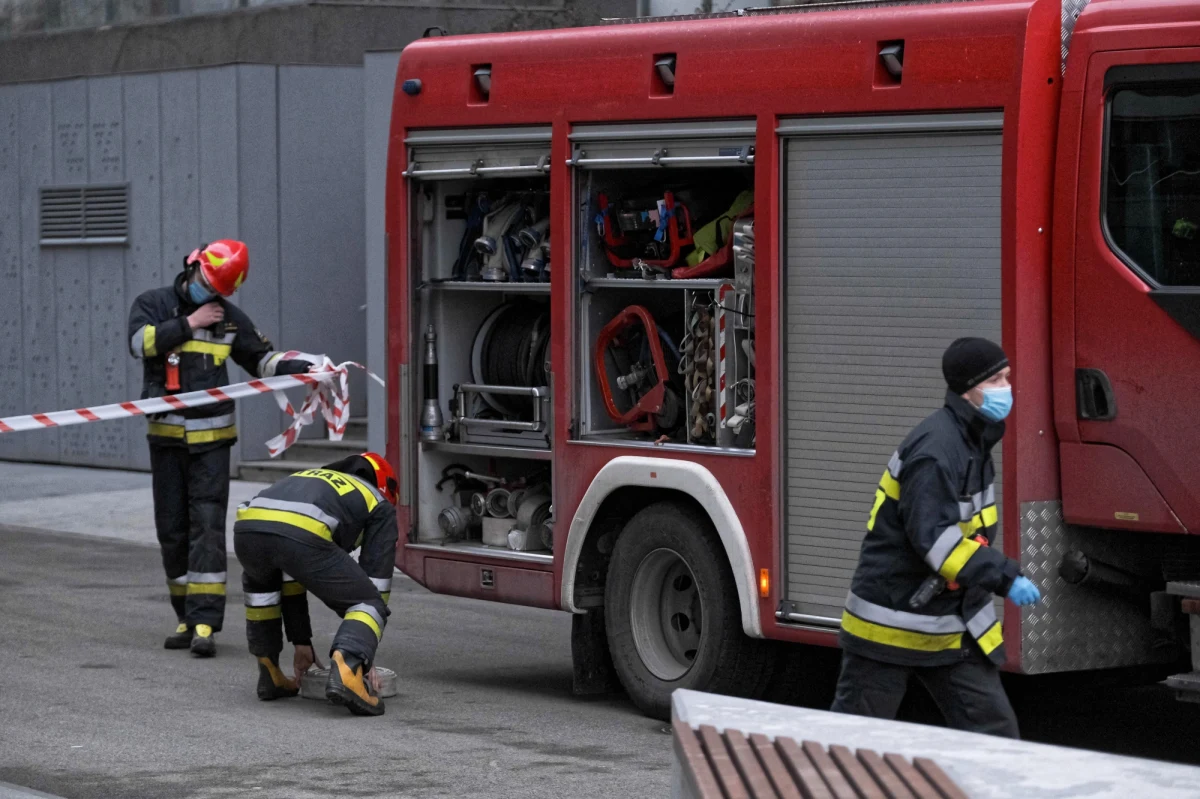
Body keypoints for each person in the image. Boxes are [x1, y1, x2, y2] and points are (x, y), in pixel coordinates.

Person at [831, 337, 1042, 738]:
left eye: (1007, 377)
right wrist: (1005, 576)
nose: (1006, 388)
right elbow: (937, 542)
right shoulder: (937, 449)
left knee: (997, 739)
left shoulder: (972, 440)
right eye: (995, 379)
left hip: (947, 623)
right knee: (852, 749)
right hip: (889, 625)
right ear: (968, 388)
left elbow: (971, 534)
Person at [128, 240, 320, 657]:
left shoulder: (229, 319)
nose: (209, 293)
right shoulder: (153, 303)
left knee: (208, 532)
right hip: (166, 443)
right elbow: (140, 343)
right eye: (205, 283)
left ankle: (204, 625)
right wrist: (190, 322)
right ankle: (183, 615)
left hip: (212, 443)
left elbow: (261, 360)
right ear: (193, 266)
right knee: (172, 531)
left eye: (217, 290)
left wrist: (300, 368)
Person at [233, 452, 399, 717]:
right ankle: (348, 671)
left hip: (247, 530)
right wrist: (364, 653)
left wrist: (302, 643)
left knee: (262, 593)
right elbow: (375, 583)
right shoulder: (379, 503)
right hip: (300, 535)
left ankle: (271, 672)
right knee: (368, 603)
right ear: (385, 486)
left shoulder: (309, 478)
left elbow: (293, 574)